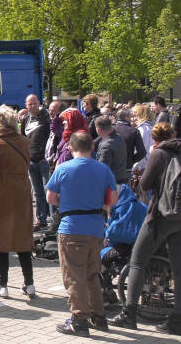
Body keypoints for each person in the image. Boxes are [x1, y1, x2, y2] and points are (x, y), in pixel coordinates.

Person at [111, 122, 181, 335]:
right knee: (179, 268)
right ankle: (176, 321)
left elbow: (144, 184)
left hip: (161, 216)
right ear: (174, 134)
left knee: (137, 262)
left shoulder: (159, 153)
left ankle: (129, 314)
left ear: (156, 139)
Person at [46, 131, 117, 337]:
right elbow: (113, 199)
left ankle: (79, 320)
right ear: (92, 147)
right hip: (96, 227)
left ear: (70, 147)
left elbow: (50, 197)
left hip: (72, 227)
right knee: (92, 274)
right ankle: (99, 316)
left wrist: (66, 204)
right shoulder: (103, 169)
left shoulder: (63, 168)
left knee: (74, 275)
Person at [0, 106, 35, 298]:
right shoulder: (25, 141)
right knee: (23, 237)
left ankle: (2, 285)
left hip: (2, 191)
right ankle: (29, 283)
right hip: (22, 189)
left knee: (1, 239)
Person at [22, 95, 51, 230]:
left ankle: (53, 221)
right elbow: (23, 139)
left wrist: (48, 156)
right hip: (31, 161)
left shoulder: (46, 118)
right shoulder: (25, 120)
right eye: (30, 104)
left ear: (39, 103)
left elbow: (52, 137)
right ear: (26, 105)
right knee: (38, 193)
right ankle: (41, 219)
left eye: (35, 103)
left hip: (44, 161)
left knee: (48, 191)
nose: (33, 106)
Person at [94, 117, 129, 186]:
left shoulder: (106, 146)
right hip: (122, 178)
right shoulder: (119, 137)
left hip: (112, 183)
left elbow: (102, 169)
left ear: (98, 130)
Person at [114, 109, 147, 176]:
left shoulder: (110, 129)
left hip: (111, 166)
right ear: (126, 117)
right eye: (130, 117)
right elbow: (142, 152)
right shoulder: (134, 131)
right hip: (126, 168)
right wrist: (131, 160)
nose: (131, 119)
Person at [132, 104, 154, 172]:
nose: (133, 118)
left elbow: (142, 148)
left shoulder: (143, 128)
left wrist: (136, 166)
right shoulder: (148, 126)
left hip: (142, 165)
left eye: (135, 115)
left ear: (140, 115)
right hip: (145, 163)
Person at [45, 101, 65, 169]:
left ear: (60, 112)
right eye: (49, 110)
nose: (50, 113)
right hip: (48, 161)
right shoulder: (49, 122)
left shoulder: (63, 125)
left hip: (57, 163)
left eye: (53, 111)